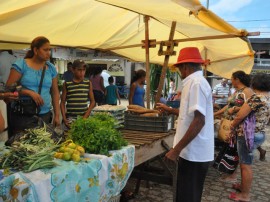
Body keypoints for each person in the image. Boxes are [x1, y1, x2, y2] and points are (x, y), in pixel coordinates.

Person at [157, 47, 214, 202]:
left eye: (179, 68)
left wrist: (176, 150)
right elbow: (189, 115)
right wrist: (169, 109)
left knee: (188, 196)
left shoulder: (196, 83)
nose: (179, 71)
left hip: (194, 153)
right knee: (185, 195)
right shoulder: (194, 82)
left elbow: (199, 120)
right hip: (190, 153)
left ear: (186, 67)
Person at [6, 36, 60, 136]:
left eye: (49, 50)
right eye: (45, 50)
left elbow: (55, 92)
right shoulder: (21, 64)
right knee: (23, 146)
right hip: (23, 115)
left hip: (44, 114)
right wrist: (28, 92)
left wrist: (57, 115)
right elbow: (9, 89)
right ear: (35, 50)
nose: (48, 53)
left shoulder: (51, 68)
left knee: (42, 144)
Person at [228, 73, 270, 202]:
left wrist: (232, 127)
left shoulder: (256, 98)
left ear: (255, 83)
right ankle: (243, 187)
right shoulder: (268, 98)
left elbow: (240, 116)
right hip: (260, 134)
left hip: (248, 135)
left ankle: (245, 195)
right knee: (246, 163)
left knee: (245, 165)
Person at [214, 71, 254, 182]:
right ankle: (231, 173)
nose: (230, 80)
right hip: (230, 124)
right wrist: (215, 114)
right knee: (231, 149)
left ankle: (233, 175)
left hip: (240, 126)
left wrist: (236, 110)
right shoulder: (237, 91)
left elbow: (251, 108)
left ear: (237, 79)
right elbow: (228, 106)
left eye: (232, 78)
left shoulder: (247, 91)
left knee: (236, 150)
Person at [60, 59, 95, 129]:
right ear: (73, 70)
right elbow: (62, 103)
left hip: (83, 118)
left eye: (84, 70)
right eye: (79, 70)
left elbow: (93, 101)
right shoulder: (67, 84)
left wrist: (85, 116)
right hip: (70, 119)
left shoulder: (88, 83)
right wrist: (64, 118)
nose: (82, 72)